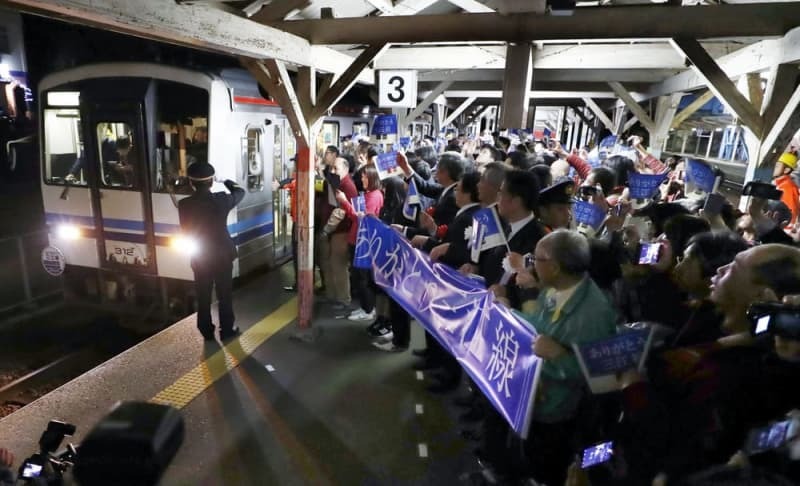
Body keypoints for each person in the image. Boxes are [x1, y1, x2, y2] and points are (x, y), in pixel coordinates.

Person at [178, 161, 245, 341]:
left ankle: (206, 330)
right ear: (211, 181)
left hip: (200, 256)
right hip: (223, 255)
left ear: (191, 182)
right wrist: (227, 181)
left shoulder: (184, 204)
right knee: (225, 294)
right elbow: (240, 192)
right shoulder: (221, 200)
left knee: (203, 294)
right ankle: (227, 330)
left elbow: (185, 230)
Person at [773, 152, 800, 226]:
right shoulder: (780, 184)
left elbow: (792, 213)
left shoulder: (787, 187)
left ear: (786, 170)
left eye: (777, 166)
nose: (773, 168)